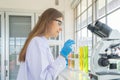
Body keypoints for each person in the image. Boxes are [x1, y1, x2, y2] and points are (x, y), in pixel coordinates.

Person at [17, 8, 75, 80]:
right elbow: (43, 78)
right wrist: (62, 57)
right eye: (59, 23)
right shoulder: (37, 42)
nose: (61, 29)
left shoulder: (41, 42)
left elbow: (47, 70)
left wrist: (62, 61)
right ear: (48, 21)